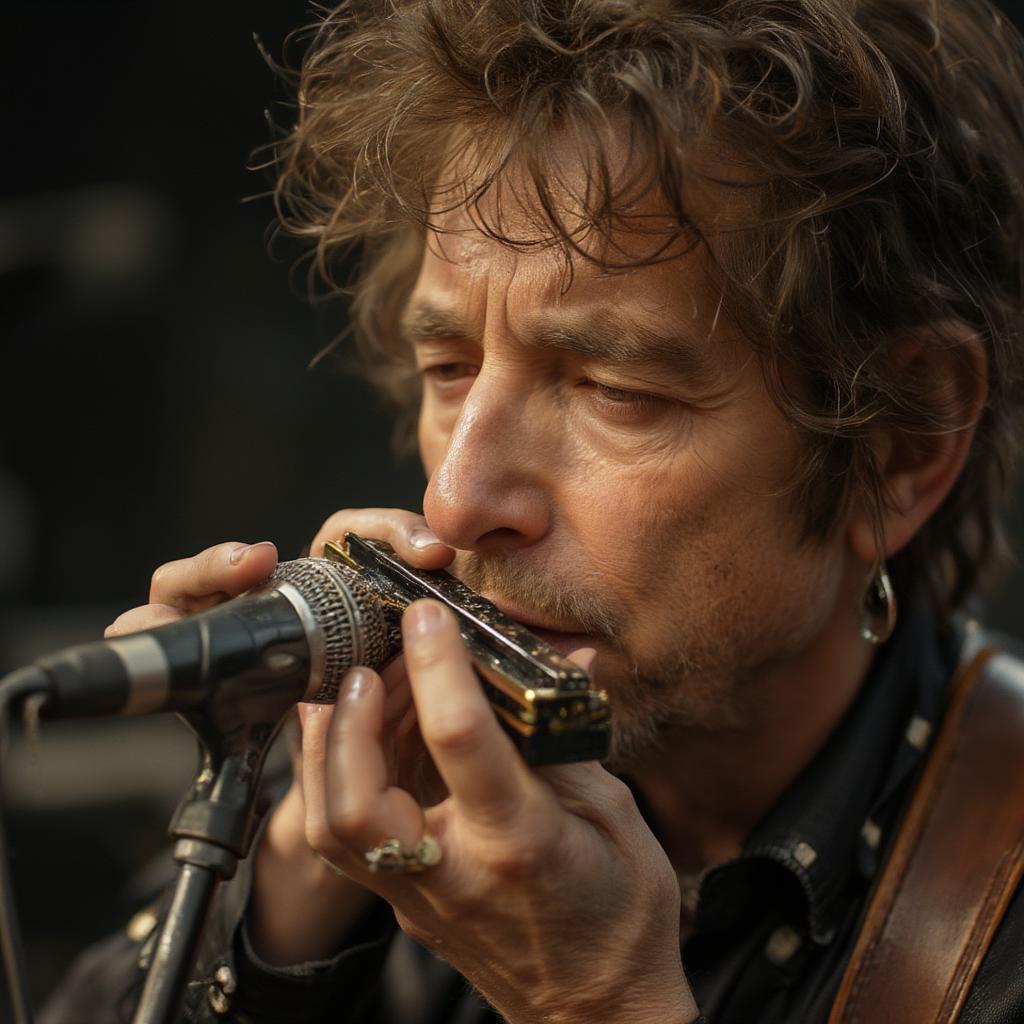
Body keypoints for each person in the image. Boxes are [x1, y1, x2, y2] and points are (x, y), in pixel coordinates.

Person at [41, 0, 1024, 1021]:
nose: (456, 500)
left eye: (614, 388)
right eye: (450, 366)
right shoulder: (419, 813)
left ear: (900, 444)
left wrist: (598, 1000)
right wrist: (294, 867)